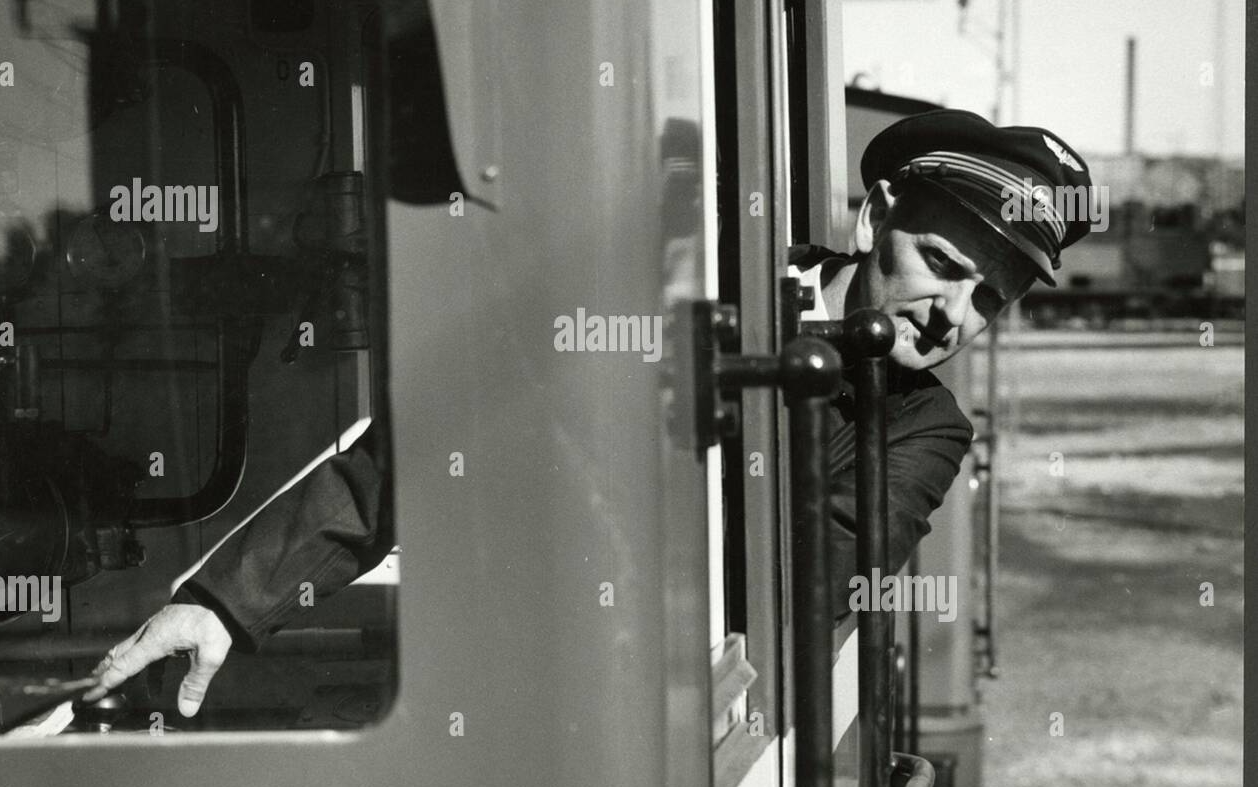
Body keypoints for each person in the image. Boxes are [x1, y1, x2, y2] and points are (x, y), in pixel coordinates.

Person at [84, 108, 1093, 715]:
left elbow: (806, 586)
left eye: (985, 303)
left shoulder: (922, 426)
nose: (949, 317)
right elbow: (434, 445)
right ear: (875, 220)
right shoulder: (690, 281)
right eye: (945, 269)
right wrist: (224, 602)